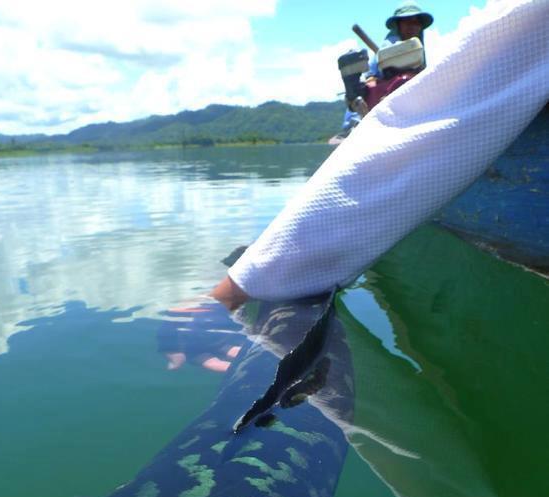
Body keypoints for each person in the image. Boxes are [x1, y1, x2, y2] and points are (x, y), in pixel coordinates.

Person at [204, 0, 547, 314]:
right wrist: (248, 283)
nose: (412, 28)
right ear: (398, 28)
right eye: (406, 23)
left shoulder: (428, 57)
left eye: (416, 23)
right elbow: (414, 121)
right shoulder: (385, 57)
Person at [368, 4, 434, 77]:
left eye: (416, 23)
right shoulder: (387, 47)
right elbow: (371, 74)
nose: (413, 26)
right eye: (407, 22)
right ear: (398, 25)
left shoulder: (420, 49)